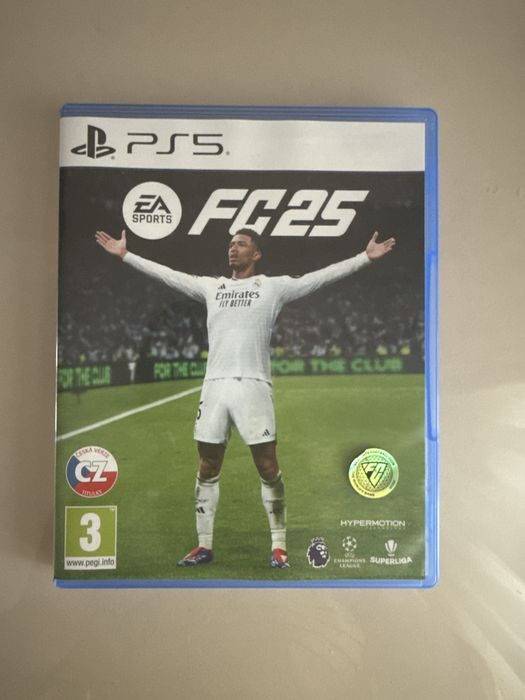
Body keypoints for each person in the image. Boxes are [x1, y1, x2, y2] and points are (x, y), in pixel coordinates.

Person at [95, 227, 395, 568]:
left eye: (241, 244)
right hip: (215, 387)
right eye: (230, 244)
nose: (233, 249)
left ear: (256, 254)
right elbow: (169, 276)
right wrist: (126, 256)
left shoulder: (272, 287)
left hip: (254, 386)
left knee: (267, 466)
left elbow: (319, 278)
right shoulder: (212, 287)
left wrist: (363, 258)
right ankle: (204, 545)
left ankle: (278, 545)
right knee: (207, 465)